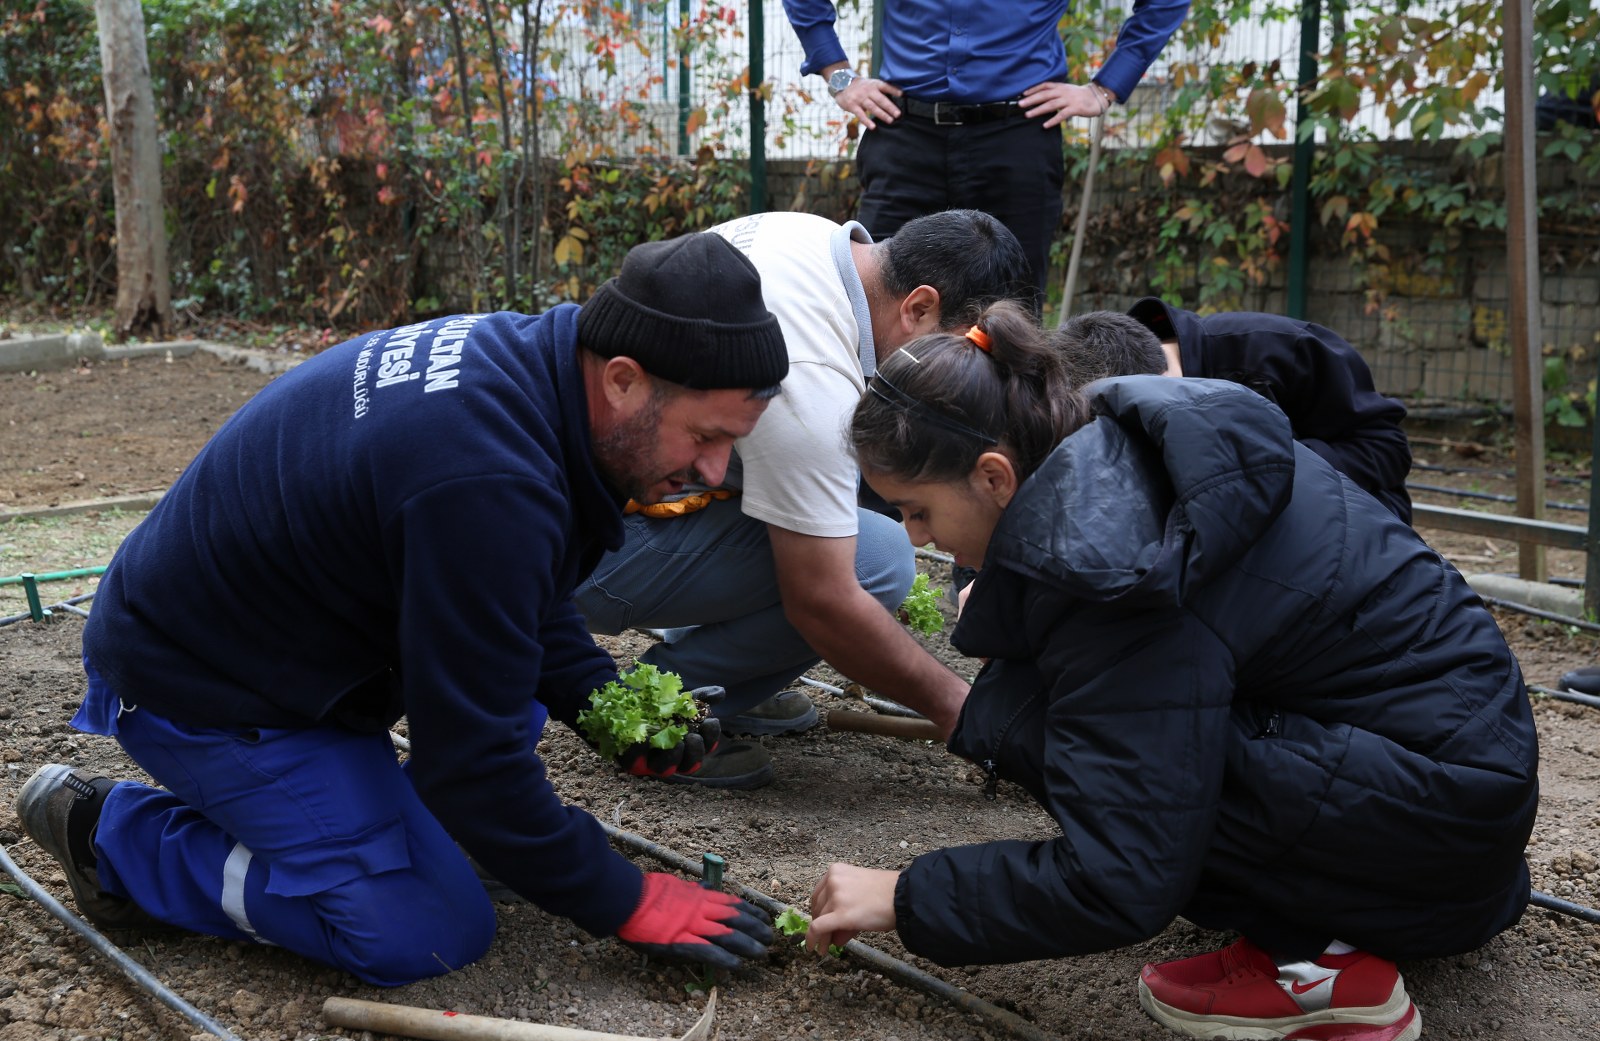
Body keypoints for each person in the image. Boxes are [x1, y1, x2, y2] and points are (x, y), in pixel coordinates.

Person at [15, 232, 786, 986]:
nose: (712, 471)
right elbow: (471, 762)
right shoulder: (489, 479)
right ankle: (114, 841)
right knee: (425, 927)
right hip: (204, 683)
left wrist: (605, 705)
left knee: (498, 714)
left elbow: (519, 599)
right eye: (707, 436)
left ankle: (389, 831)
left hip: (287, 643)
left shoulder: (533, 373)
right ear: (623, 378)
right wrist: (625, 898)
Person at [806, 301, 1539, 1041]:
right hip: (1451, 787)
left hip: (1439, 818)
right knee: (1075, 720)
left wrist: (907, 894)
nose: (914, 537)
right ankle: (1327, 909)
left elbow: (1124, 872)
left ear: (994, 475)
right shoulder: (1119, 440)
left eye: (917, 510)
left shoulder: (1113, 563)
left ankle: (1319, 967)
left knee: (1085, 742)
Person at [574, 209, 1032, 788]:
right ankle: (662, 712)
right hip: (587, 545)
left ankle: (729, 684)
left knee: (836, 531)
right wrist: (961, 710)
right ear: (918, 307)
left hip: (608, 493)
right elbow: (824, 599)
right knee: (876, 563)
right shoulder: (813, 378)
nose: (954, 379)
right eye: (956, 352)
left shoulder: (805, 236)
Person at [782, 0, 1190, 306]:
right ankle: (883, 416)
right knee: (876, 295)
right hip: (904, 134)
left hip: (1017, 136)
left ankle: (1009, 419)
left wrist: (1106, 87)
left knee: (1011, 304)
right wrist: (838, 75)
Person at [1059, 300, 1414, 523]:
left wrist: (1264, 464)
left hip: (1353, 518)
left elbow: (1387, 448)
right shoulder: (1096, 393)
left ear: (1161, 381)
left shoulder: (1278, 349)